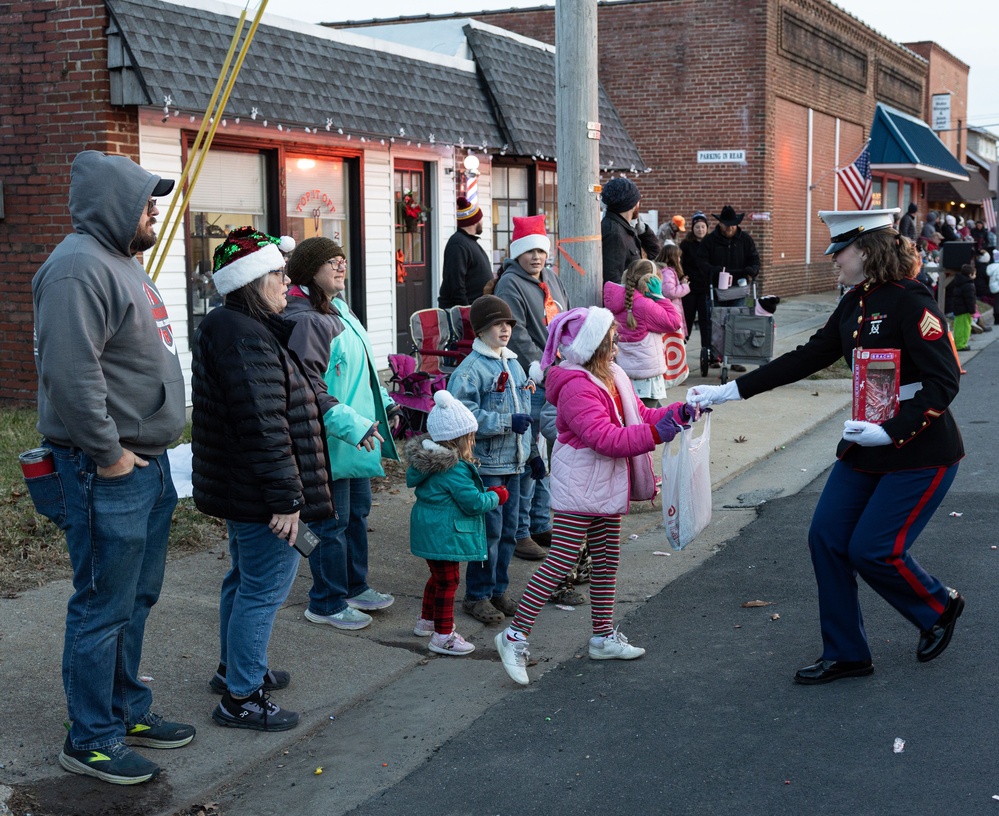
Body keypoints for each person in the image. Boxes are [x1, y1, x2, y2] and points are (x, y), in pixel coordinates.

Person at [687, 208, 965, 685]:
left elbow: (944, 382)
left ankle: (939, 605)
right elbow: (807, 357)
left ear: (868, 250)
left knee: (873, 549)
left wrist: (893, 430)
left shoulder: (911, 302)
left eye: (841, 251)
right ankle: (847, 652)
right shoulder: (855, 302)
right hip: (866, 445)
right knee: (827, 539)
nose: (833, 259)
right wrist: (729, 391)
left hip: (920, 451)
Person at [31, 150, 192, 785]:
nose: (155, 209)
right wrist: (111, 454)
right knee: (103, 603)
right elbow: (71, 376)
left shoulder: (121, 262)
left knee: (135, 598)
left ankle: (125, 708)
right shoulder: (75, 269)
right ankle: (90, 738)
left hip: (149, 466)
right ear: (113, 206)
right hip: (108, 471)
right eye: (145, 200)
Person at [494, 306, 698, 685]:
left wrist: (678, 412)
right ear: (591, 347)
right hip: (581, 483)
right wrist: (659, 434)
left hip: (605, 482)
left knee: (606, 558)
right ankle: (513, 636)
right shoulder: (575, 385)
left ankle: (603, 637)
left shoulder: (611, 374)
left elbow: (638, 415)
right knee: (561, 560)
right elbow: (604, 439)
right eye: (611, 341)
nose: (618, 346)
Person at [192, 227, 334, 731]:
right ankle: (241, 698)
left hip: (242, 486)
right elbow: (264, 423)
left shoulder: (235, 327)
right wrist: (286, 499)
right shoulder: (244, 335)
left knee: (243, 580)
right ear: (251, 280)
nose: (286, 283)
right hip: (260, 493)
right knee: (263, 589)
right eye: (277, 273)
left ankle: (236, 669)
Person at [283, 237, 398, 632]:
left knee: (355, 517)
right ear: (308, 270)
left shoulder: (340, 310)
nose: (340, 266)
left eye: (343, 259)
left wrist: (386, 403)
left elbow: (363, 370)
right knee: (329, 523)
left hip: (356, 439)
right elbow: (307, 388)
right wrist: (353, 424)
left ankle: (353, 586)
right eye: (331, 261)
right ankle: (326, 601)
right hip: (327, 442)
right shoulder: (305, 319)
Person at [447, 295, 536, 624]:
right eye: (497, 324)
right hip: (488, 466)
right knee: (489, 533)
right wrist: (503, 423)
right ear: (481, 329)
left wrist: (534, 454)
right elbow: (461, 417)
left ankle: (499, 589)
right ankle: (478, 595)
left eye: (508, 324)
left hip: (515, 463)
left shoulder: (513, 364)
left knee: (510, 530)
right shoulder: (470, 371)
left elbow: (525, 410)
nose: (505, 329)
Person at [407, 390, 507, 655]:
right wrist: (496, 496)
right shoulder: (454, 469)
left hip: (429, 529)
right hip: (444, 532)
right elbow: (473, 502)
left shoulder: (429, 461)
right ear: (459, 439)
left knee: (438, 577)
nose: (472, 442)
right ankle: (443, 635)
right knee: (449, 582)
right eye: (470, 437)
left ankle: (427, 621)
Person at [493, 215, 569, 561]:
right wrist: (543, 366)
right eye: (529, 251)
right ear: (518, 253)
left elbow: (564, 318)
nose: (536, 257)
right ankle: (521, 530)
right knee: (528, 455)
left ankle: (541, 522)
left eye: (541, 250)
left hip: (558, 373)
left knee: (548, 455)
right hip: (532, 378)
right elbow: (517, 333)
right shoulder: (510, 283)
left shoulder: (551, 277)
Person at [603, 258, 683, 407]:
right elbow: (674, 322)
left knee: (642, 413)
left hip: (626, 371)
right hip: (646, 376)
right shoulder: (644, 305)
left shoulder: (617, 300)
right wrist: (660, 296)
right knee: (646, 419)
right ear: (650, 280)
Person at [701, 205, 762, 372]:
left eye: (733, 225)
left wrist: (751, 271)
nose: (730, 228)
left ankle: (735, 358)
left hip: (739, 288)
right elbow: (703, 262)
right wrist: (714, 270)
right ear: (720, 224)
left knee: (737, 323)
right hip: (717, 289)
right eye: (727, 225)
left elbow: (754, 260)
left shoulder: (745, 240)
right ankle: (714, 355)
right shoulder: (710, 241)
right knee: (716, 322)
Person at [600, 177, 661, 284]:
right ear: (632, 204)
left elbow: (655, 252)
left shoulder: (624, 228)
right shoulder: (614, 233)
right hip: (626, 300)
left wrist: (643, 230)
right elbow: (613, 283)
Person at [438, 196, 493, 308]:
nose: (482, 222)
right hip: (461, 315)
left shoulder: (469, 242)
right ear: (474, 221)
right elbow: (456, 283)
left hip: (475, 311)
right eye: (480, 218)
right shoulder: (458, 244)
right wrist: (465, 311)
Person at [680, 211, 713, 362]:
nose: (700, 230)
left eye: (703, 227)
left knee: (706, 321)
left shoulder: (711, 244)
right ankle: (681, 351)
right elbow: (679, 264)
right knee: (687, 319)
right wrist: (682, 277)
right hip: (690, 289)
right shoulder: (686, 245)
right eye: (697, 227)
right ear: (693, 228)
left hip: (706, 288)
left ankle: (708, 352)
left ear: (707, 228)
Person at [656, 239, 691, 338]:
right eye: (678, 257)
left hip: (669, 309)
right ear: (673, 257)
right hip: (671, 310)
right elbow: (670, 292)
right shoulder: (668, 272)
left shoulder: (663, 270)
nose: (680, 259)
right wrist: (684, 286)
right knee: (674, 338)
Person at [946, 263, 977, 351]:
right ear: (970, 274)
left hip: (958, 309)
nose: (975, 276)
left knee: (958, 327)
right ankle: (961, 344)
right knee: (965, 328)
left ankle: (957, 343)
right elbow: (970, 299)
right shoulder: (969, 285)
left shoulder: (959, 282)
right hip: (965, 310)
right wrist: (972, 311)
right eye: (974, 274)